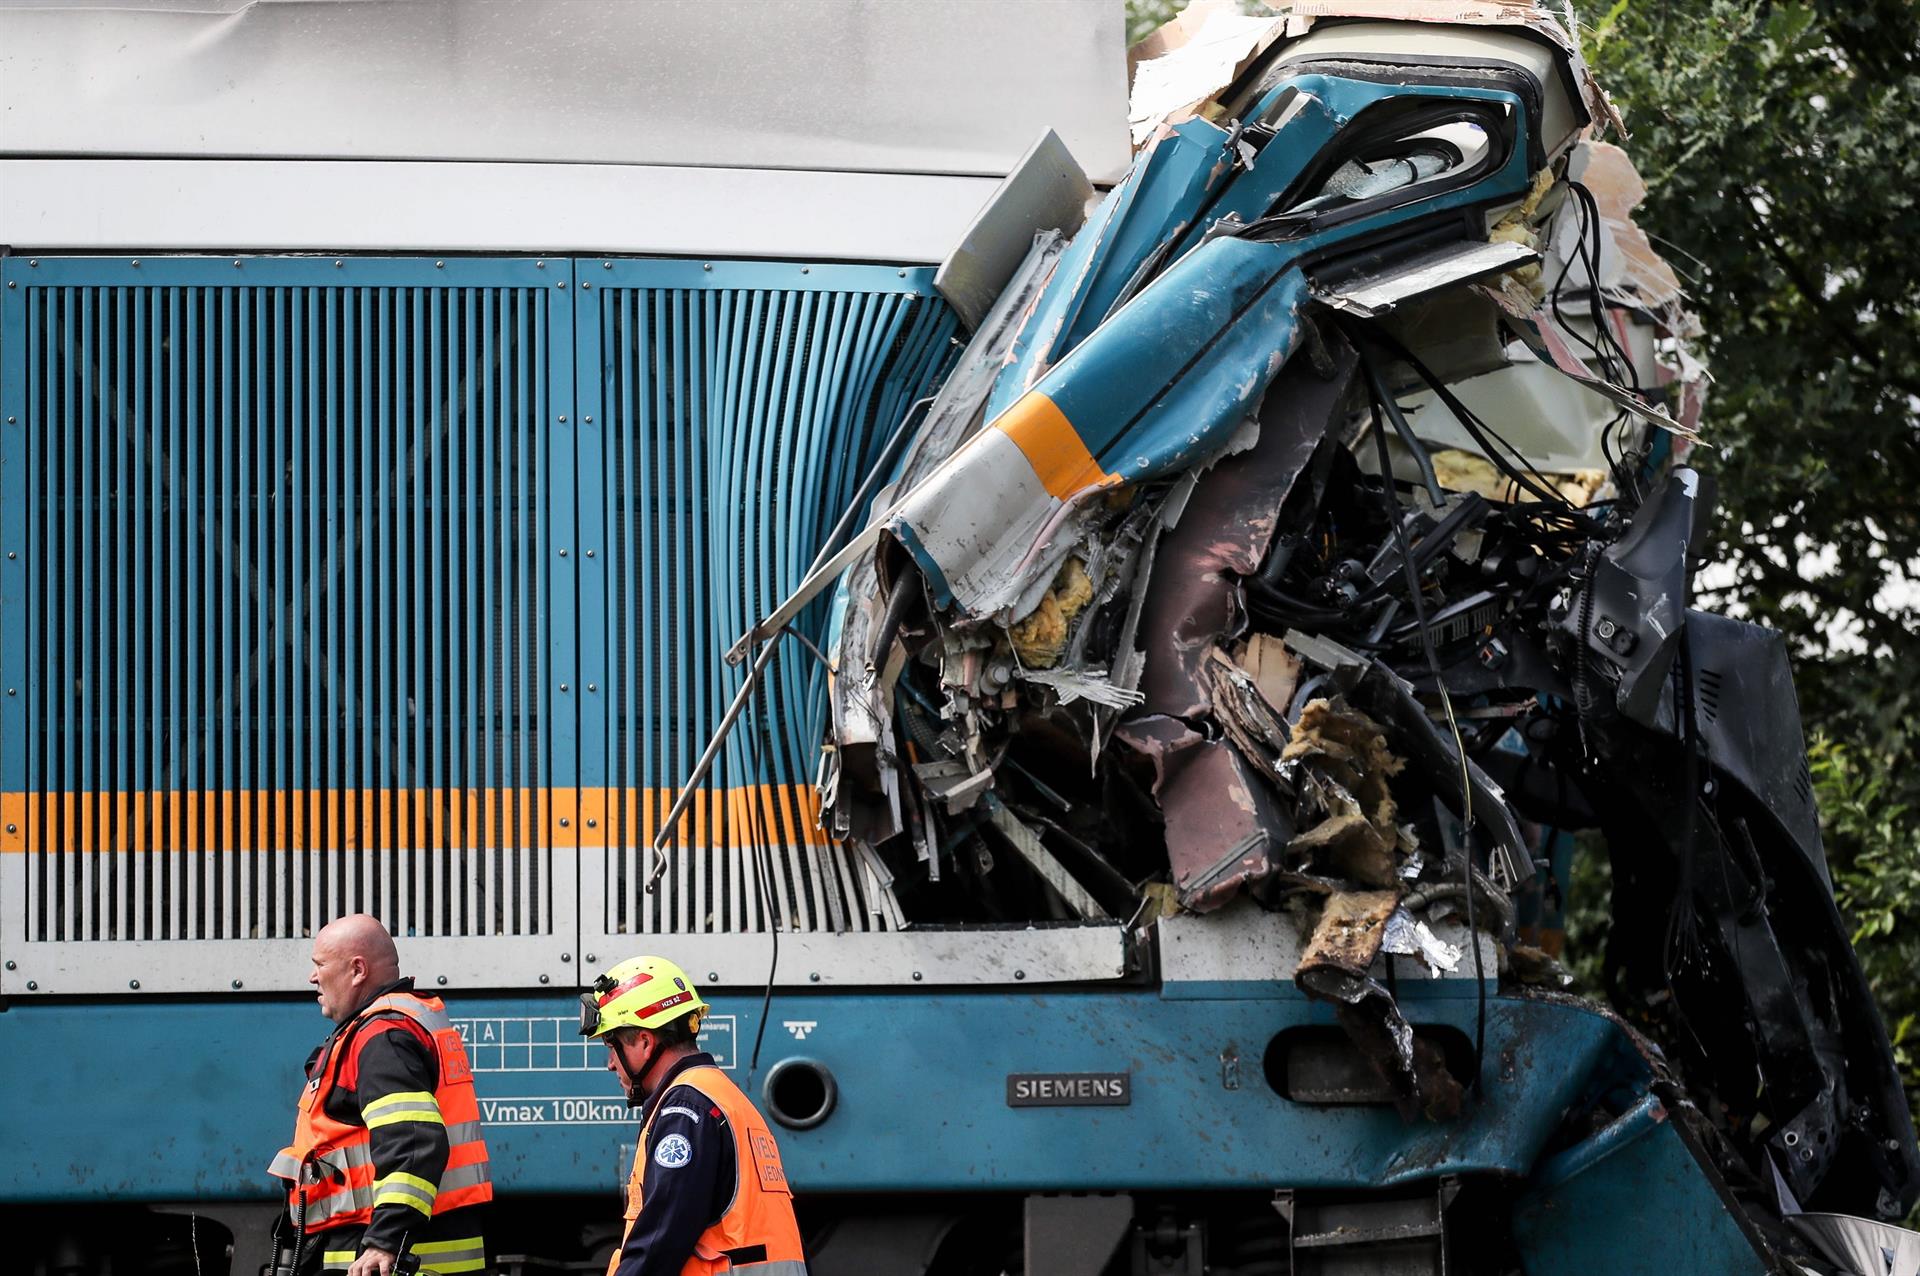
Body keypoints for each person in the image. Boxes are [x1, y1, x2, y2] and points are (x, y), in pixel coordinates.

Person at [268, 914, 493, 1276]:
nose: (313, 977)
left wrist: (385, 1241)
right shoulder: (387, 1028)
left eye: (320, 965)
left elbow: (414, 1142)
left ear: (358, 969)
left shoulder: (382, 1037)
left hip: (384, 1259)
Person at [580, 956, 808, 1276]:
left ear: (644, 1042)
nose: (610, 1064)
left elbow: (658, 1240)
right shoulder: (722, 1097)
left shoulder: (686, 1111)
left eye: (611, 1045)